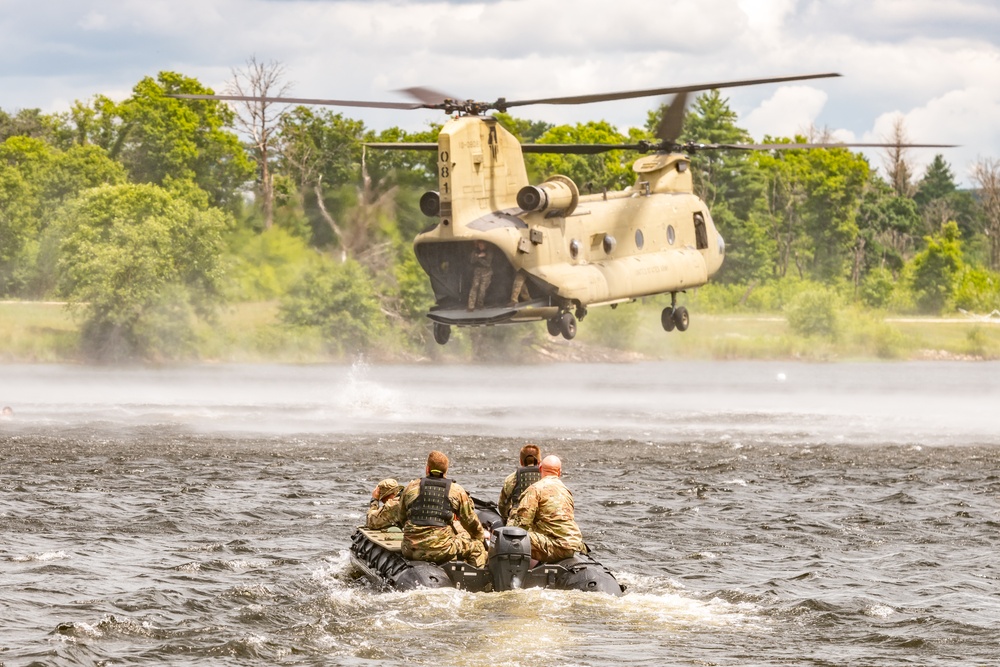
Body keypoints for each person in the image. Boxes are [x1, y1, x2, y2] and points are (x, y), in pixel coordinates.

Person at [398, 450, 487, 567]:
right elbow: (470, 522)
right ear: (446, 470)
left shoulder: (410, 487)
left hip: (410, 549)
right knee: (478, 547)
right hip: (441, 550)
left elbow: (402, 518)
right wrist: (480, 539)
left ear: (427, 469)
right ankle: (475, 581)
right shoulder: (457, 490)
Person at [508, 454, 585, 563]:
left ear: (540, 469)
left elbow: (521, 526)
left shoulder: (535, 489)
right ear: (559, 472)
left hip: (556, 546)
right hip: (573, 544)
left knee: (511, 538)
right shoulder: (565, 491)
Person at [497, 443, 541, 524]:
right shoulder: (546, 478)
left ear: (521, 461)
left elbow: (502, 505)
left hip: (518, 523)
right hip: (540, 522)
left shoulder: (511, 478)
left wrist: (505, 517)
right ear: (539, 461)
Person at [467, 240, 494, 311]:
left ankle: (480, 304)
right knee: (474, 287)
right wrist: (479, 256)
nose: (480, 246)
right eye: (479, 245)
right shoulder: (475, 251)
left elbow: (487, 263)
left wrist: (478, 258)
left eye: (482, 244)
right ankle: (471, 306)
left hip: (486, 272)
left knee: (482, 289)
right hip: (477, 272)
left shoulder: (489, 252)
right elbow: (472, 260)